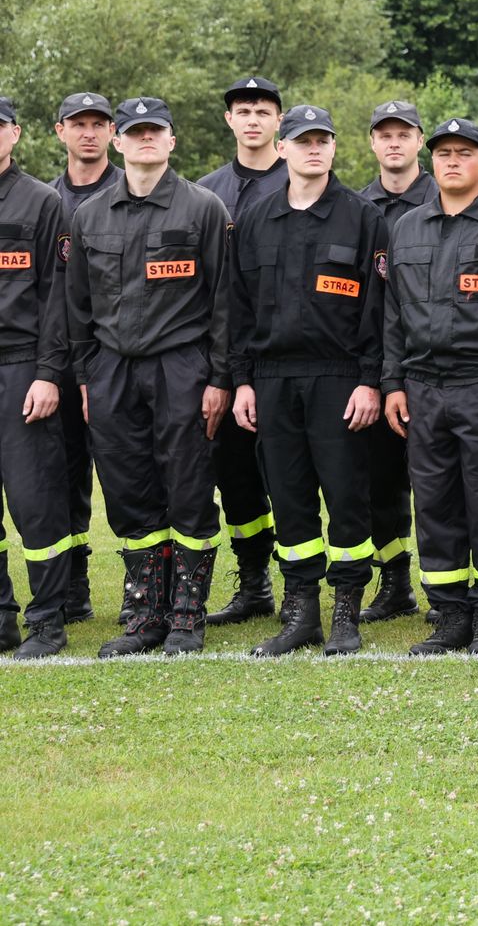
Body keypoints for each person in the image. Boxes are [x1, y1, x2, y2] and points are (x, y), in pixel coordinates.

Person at [67, 98, 232, 656]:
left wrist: (218, 378)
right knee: (128, 490)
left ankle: (187, 613)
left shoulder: (202, 208)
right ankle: (145, 614)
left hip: (182, 366)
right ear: (118, 141)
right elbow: (77, 308)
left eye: (153, 132)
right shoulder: (88, 215)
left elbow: (224, 302)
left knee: (187, 486)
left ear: (171, 141)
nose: (143, 141)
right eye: (134, 132)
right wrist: (87, 376)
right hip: (111, 369)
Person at [227, 106, 387, 656]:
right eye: (302, 140)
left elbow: (378, 308)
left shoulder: (364, 218)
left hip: (339, 378)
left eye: (323, 140)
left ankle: (346, 612)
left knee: (346, 496)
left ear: (335, 149)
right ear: (283, 148)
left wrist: (370, 380)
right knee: (289, 497)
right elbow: (237, 309)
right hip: (271, 380)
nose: (313, 149)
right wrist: (242, 380)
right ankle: (301, 614)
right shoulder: (254, 219)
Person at [382, 118, 478, 656]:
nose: (451, 161)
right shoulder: (406, 227)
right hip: (422, 387)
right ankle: (448, 615)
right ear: (431, 160)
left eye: (464, 153)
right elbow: (392, 314)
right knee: (436, 503)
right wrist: (392, 382)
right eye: (443, 152)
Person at [198, 76, 287, 631]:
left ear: (279, 120)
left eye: (262, 110)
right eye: (242, 111)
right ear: (229, 121)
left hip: (282, 360)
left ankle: (309, 585)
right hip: (218, 362)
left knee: (293, 475)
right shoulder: (206, 193)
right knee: (233, 475)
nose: (252, 119)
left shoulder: (304, 180)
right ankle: (254, 581)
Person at [356, 99, 439, 625]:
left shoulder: (448, 195)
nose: (393, 142)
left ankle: (453, 586)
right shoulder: (356, 207)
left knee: (443, 481)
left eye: (403, 133)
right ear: (371, 142)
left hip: (438, 362)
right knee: (378, 481)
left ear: (417, 140)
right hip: (375, 363)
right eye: (384, 134)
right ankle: (395, 583)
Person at [0, 97, 77, 657]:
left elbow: (59, 299)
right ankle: (2, 617)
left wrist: (49, 374)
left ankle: (47, 620)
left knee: (35, 500)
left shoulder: (42, 202)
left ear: (16, 134)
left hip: (22, 365)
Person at [47, 90, 123, 626]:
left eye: (100, 124)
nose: (89, 132)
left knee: (129, 474)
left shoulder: (134, 188)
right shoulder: (45, 200)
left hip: (118, 359)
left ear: (113, 132)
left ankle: (149, 585)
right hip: (56, 359)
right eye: (80, 124)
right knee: (62, 472)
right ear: (60, 132)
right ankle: (74, 582)